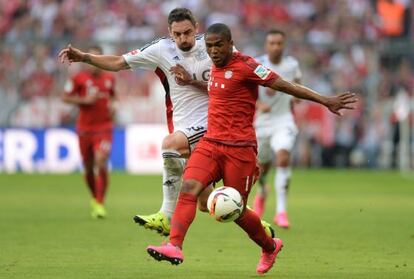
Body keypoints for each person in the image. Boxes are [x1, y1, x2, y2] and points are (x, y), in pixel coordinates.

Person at [146, 23, 356, 274]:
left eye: (218, 45)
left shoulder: (247, 66)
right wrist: (192, 81)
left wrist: (325, 100)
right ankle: (174, 245)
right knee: (189, 187)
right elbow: (217, 90)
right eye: (209, 46)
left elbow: (285, 85)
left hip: (240, 149)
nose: (213, 51)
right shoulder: (214, 67)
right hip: (211, 143)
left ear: (230, 43)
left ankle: (270, 246)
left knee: (236, 210)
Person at [58, 8, 274, 236]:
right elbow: (119, 62)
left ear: (196, 28)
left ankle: (165, 216)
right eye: (178, 34)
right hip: (183, 124)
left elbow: (238, 81)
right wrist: (84, 57)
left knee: (170, 145)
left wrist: (193, 82)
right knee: (205, 203)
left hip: (214, 124)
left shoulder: (215, 46)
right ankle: (253, 221)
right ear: (170, 33)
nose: (183, 38)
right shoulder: (160, 50)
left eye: (188, 32)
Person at [252, 29, 301, 228]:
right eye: (272, 43)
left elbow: (298, 84)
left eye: (279, 43)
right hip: (262, 122)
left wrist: (298, 96)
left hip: (283, 120)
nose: (275, 47)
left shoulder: (291, 65)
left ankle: (281, 211)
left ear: (284, 45)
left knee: (283, 157)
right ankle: (263, 191)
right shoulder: (257, 64)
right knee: (261, 168)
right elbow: (246, 90)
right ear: (266, 45)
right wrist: (257, 105)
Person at [61, 45, 116, 219]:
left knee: (101, 162)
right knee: (88, 167)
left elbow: (113, 96)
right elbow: (65, 96)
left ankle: (100, 202)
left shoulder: (109, 78)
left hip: (104, 127)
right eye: (92, 59)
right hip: (85, 129)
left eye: (98, 58)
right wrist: (84, 100)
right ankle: (94, 197)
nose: (95, 63)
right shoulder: (78, 78)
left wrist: (114, 105)